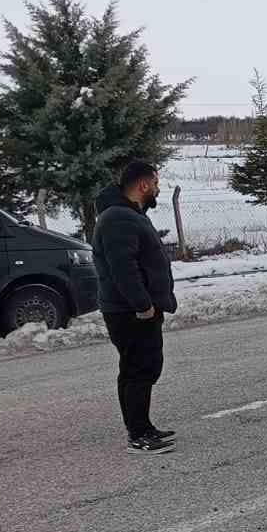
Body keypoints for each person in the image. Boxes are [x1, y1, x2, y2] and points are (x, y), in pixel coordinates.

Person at [92, 160, 178, 452]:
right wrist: (143, 305)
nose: (157, 187)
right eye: (155, 182)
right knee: (137, 369)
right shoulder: (118, 218)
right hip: (130, 311)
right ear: (143, 185)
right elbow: (123, 269)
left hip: (134, 309)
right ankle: (137, 434)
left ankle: (143, 426)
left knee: (143, 367)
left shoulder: (127, 213)